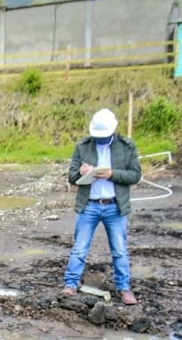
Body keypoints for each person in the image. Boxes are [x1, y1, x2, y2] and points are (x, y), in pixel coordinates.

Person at [63, 108, 141, 305]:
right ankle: (70, 284)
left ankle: (124, 289)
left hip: (115, 207)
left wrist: (112, 174)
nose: (100, 139)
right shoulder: (83, 146)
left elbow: (135, 175)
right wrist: (81, 172)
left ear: (112, 131)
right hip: (89, 205)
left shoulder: (126, 146)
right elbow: (72, 177)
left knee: (120, 250)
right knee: (79, 249)